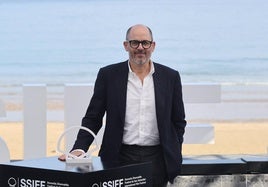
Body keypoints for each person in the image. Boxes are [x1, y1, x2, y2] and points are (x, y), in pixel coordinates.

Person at [59, 24, 187, 186]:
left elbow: (178, 121)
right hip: (119, 157)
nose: (140, 47)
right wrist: (79, 149)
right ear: (126, 45)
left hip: (158, 160)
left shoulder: (170, 77)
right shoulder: (108, 75)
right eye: (134, 43)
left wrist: (174, 149)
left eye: (145, 43)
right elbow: (93, 117)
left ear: (153, 46)